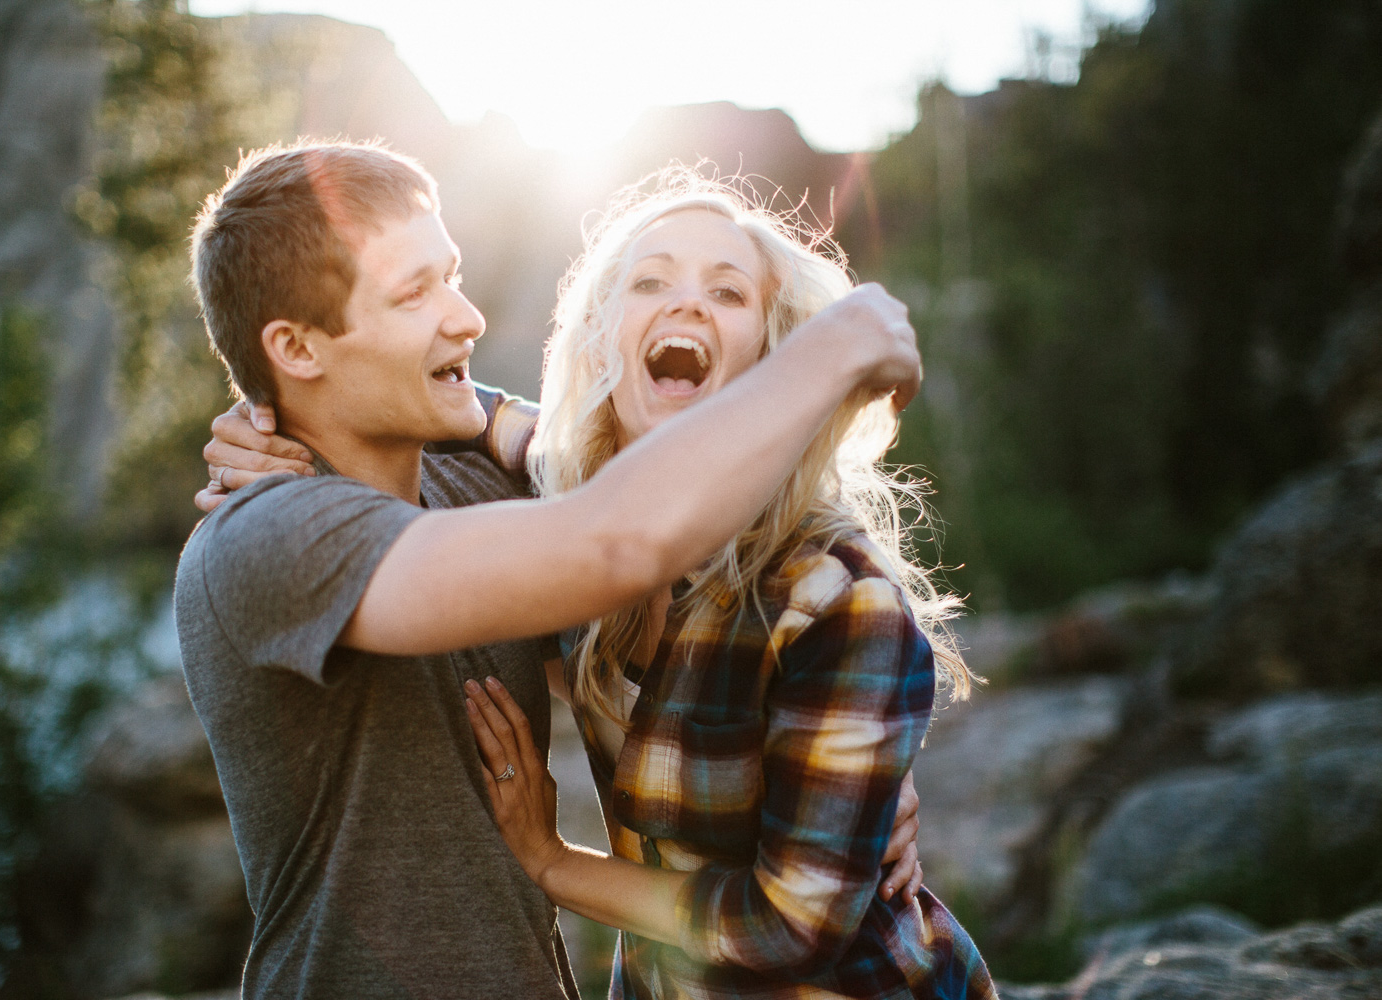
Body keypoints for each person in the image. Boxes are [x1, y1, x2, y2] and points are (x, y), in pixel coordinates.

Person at [175, 141, 926, 1000]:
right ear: (297, 348)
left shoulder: (480, 484)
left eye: (451, 275)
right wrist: (836, 349)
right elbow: (618, 537)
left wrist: (861, 772)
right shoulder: (268, 536)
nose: (467, 318)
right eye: (414, 292)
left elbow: (595, 460)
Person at [459, 172, 997, 999]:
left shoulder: (832, 594)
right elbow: (480, 411)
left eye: (727, 291)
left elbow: (791, 931)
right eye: (649, 281)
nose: (686, 304)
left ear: (774, 360)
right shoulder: (579, 515)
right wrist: (270, 427)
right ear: (604, 342)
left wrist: (551, 861)